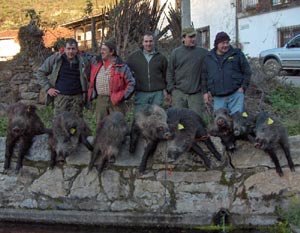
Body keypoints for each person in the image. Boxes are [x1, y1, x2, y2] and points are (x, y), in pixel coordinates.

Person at [36, 38, 89, 118]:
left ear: (77, 50)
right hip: (61, 98)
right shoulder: (56, 59)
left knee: (76, 124)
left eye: (73, 49)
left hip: (77, 99)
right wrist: (48, 88)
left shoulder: (82, 61)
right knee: (60, 124)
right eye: (68, 49)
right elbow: (40, 73)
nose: (70, 52)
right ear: (64, 49)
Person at [202, 31, 252, 114]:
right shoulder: (208, 58)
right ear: (217, 44)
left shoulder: (237, 54)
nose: (225, 45)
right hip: (218, 98)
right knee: (221, 123)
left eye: (227, 42)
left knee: (237, 122)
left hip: (236, 95)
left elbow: (247, 71)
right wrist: (205, 93)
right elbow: (204, 77)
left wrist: (243, 87)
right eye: (223, 43)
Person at [87, 38, 135, 124]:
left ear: (112, 52)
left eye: (104, 50)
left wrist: (123, 96)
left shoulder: (121, 66)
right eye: (101, 49)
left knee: (117, 127)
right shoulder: (96, 63)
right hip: (101, 100)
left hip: (116, 101)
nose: (101, 52)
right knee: (101, 127)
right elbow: (83, 56)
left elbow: (131, 83)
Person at [166, 27, 208, 118]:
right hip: (179, 93)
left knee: (197, 120)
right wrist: (172, 90)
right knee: (178, 120)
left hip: (196, 94)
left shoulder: (202, 53)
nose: (193, 39)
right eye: (190, 37)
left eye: (194, 36)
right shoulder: (176, 53)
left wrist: (206, 90)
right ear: (183, 38)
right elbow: (170, 72)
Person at [127, 31, 169, 114]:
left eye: (150, 41)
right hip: (141, 93)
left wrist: (168, 91)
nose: (148, 44)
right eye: (146, 41)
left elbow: (166, 75)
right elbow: (126, 73)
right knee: (140, 118)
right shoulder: (134, 57)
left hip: (157, 93)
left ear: (154, 42)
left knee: (157, 118)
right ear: (142, 42)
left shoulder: (161, 58)